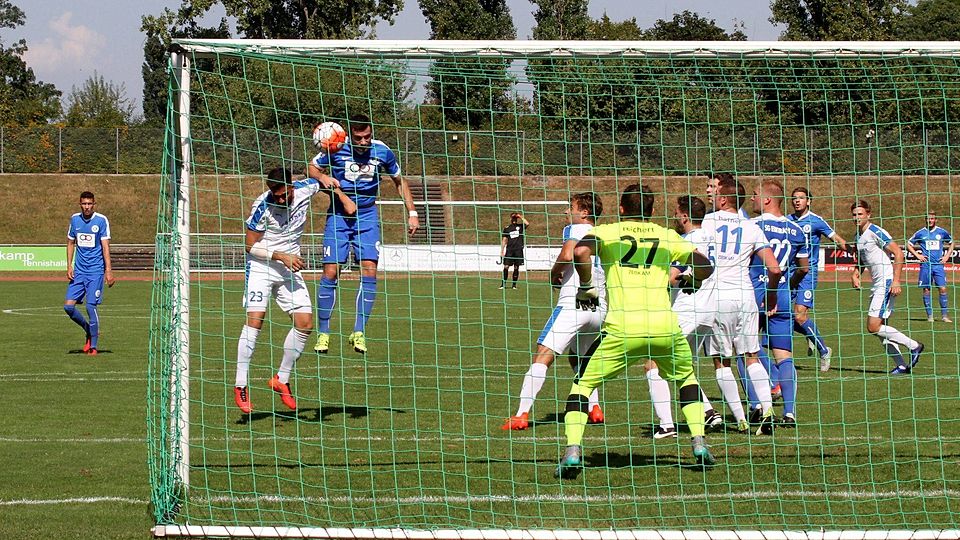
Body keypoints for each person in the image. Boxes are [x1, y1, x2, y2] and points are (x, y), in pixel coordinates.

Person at [554, 184, 716, 480]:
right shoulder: (666, 235)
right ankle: (698, 443)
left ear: (621, 209)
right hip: (664, 327)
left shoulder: (609, 231)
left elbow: (580, 251)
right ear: (651, 211)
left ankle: (573, 450)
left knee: (582, 384)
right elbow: (705, 265)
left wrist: (587, 286)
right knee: (686, 379)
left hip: (622, 328)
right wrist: (694, 278)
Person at [309, 115, 420, 354]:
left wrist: (412, 212)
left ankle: (358, 332)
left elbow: (399, 181)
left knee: (369, 270)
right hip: (339, 215)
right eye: (359, 138)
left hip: (367, 215)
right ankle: (323, 333)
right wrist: (324, 177)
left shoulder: (382, 151)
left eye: (367, 136)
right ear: (350, 135)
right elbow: (312, 168)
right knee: (331, 271)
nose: (363, 141)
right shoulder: (336, 146)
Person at [502, 193, 605, 431]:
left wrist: (553, 273)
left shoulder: (575, 229)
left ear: (584, 213)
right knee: (580, 358)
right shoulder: (603, 234)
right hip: (599, 306)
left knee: (543, 354)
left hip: (573, 302)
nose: (566, 212)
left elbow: (568, 255)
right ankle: (594, 408)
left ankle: (521, 414)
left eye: (571, 207)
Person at [701, 176, 783, 436]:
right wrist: (771, 296)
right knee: (752, 356)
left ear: (724, 199)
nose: (713, 197)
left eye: (716, 194)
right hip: (746, 297)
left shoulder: (708, 221)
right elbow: (775, 268)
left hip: (718, 297)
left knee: (721, 361)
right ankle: (768, 411)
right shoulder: (751, 226)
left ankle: (740, 420)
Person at [233, 167, 319, 414]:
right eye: (275, 195)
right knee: (255, 321)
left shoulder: (306, 188)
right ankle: (240, 385)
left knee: (305, 323)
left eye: (283, 195)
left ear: (292, 186)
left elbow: (322, 177)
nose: (280, 199)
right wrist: (281, 255)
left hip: (289, 267)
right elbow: (249, 246)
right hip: (262, 266)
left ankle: (282, 379)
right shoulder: (262, 206)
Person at [648, 195, 724, 439]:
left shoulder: (687, 242)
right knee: (681, 367)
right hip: (708, 312)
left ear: (685, 216)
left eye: (676, 212)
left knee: (653, 361)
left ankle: (666, 425)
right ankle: (708, 412)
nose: (674, 216)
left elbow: (672, 277)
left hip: (687, 309)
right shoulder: (711, 238)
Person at [749, 180, 809, 426]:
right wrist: (788, 284)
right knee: (784, 355)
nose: (751, 198)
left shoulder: (752, 225)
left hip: (755, 294)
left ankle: (757, 406)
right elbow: (804, 268)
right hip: (782, 295)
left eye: (754, 194)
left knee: (746, 351)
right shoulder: (796, 230)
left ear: (766, 199)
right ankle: (790, 412)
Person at [850, 200, 924, 375]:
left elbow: (898, 253)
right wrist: (856, 273)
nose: (857, 217)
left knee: (873, 326)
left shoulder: (875, 231)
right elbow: (863, 260)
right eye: (854, 215)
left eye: (860, 214)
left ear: (868, 214)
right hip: (876, 284)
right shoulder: (857, 237)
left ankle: (915, 346)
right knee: (880, 329)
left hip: (886, 281)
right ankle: (901, 365)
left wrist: (896, 281)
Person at [789, 187, 848, 371]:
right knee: (782, 313)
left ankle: (824, 351)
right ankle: (810, 333)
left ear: (809, 201)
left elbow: (836, 238)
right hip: (789, 272)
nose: (797, 201)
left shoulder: (816, 221)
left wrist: (851, 251)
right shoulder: (787, 221)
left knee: (799, 315)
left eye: (801, 198)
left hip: (807, 273)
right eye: (794, 198)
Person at [64, 191, 115, 356]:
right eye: (84, 204)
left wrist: (108, 271)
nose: (87, 207)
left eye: (89, 204)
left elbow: (105, 247)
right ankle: (88, 329)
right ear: (80, 204)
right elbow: (70, 243)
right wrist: (69, 266)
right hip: (79, 271)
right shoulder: (75, 219)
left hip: (95, 272)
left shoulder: (101, 220)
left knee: (90, 306)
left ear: (94, 204)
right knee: (68, 307)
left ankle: (93, 346)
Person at [907, 212, 953, 323]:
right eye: (928, 219)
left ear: (936, 220)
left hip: (938, 265)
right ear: (925, 220)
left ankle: (944, 316)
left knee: (942, 288)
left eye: (932, 219)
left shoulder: (941, 232)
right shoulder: (920, 233)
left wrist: (947, 256)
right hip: (926, 265)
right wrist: (917, 255)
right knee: (926, 289)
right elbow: (908, 244)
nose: (930, 221)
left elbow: (952, 243)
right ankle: (930, 316)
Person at [499, 212, 529, 289]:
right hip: (509, 250)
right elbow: (504, 240)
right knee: (506, 266)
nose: (514, 220)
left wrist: (520, 216)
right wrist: (502, 251)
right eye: (513, 218)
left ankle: (514, 285)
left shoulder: (520, 226)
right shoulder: (507, 228)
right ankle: (503, 284)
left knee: (516, 267)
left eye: (515, 218)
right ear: (510, 219)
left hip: (518, 250)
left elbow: (527, 223)